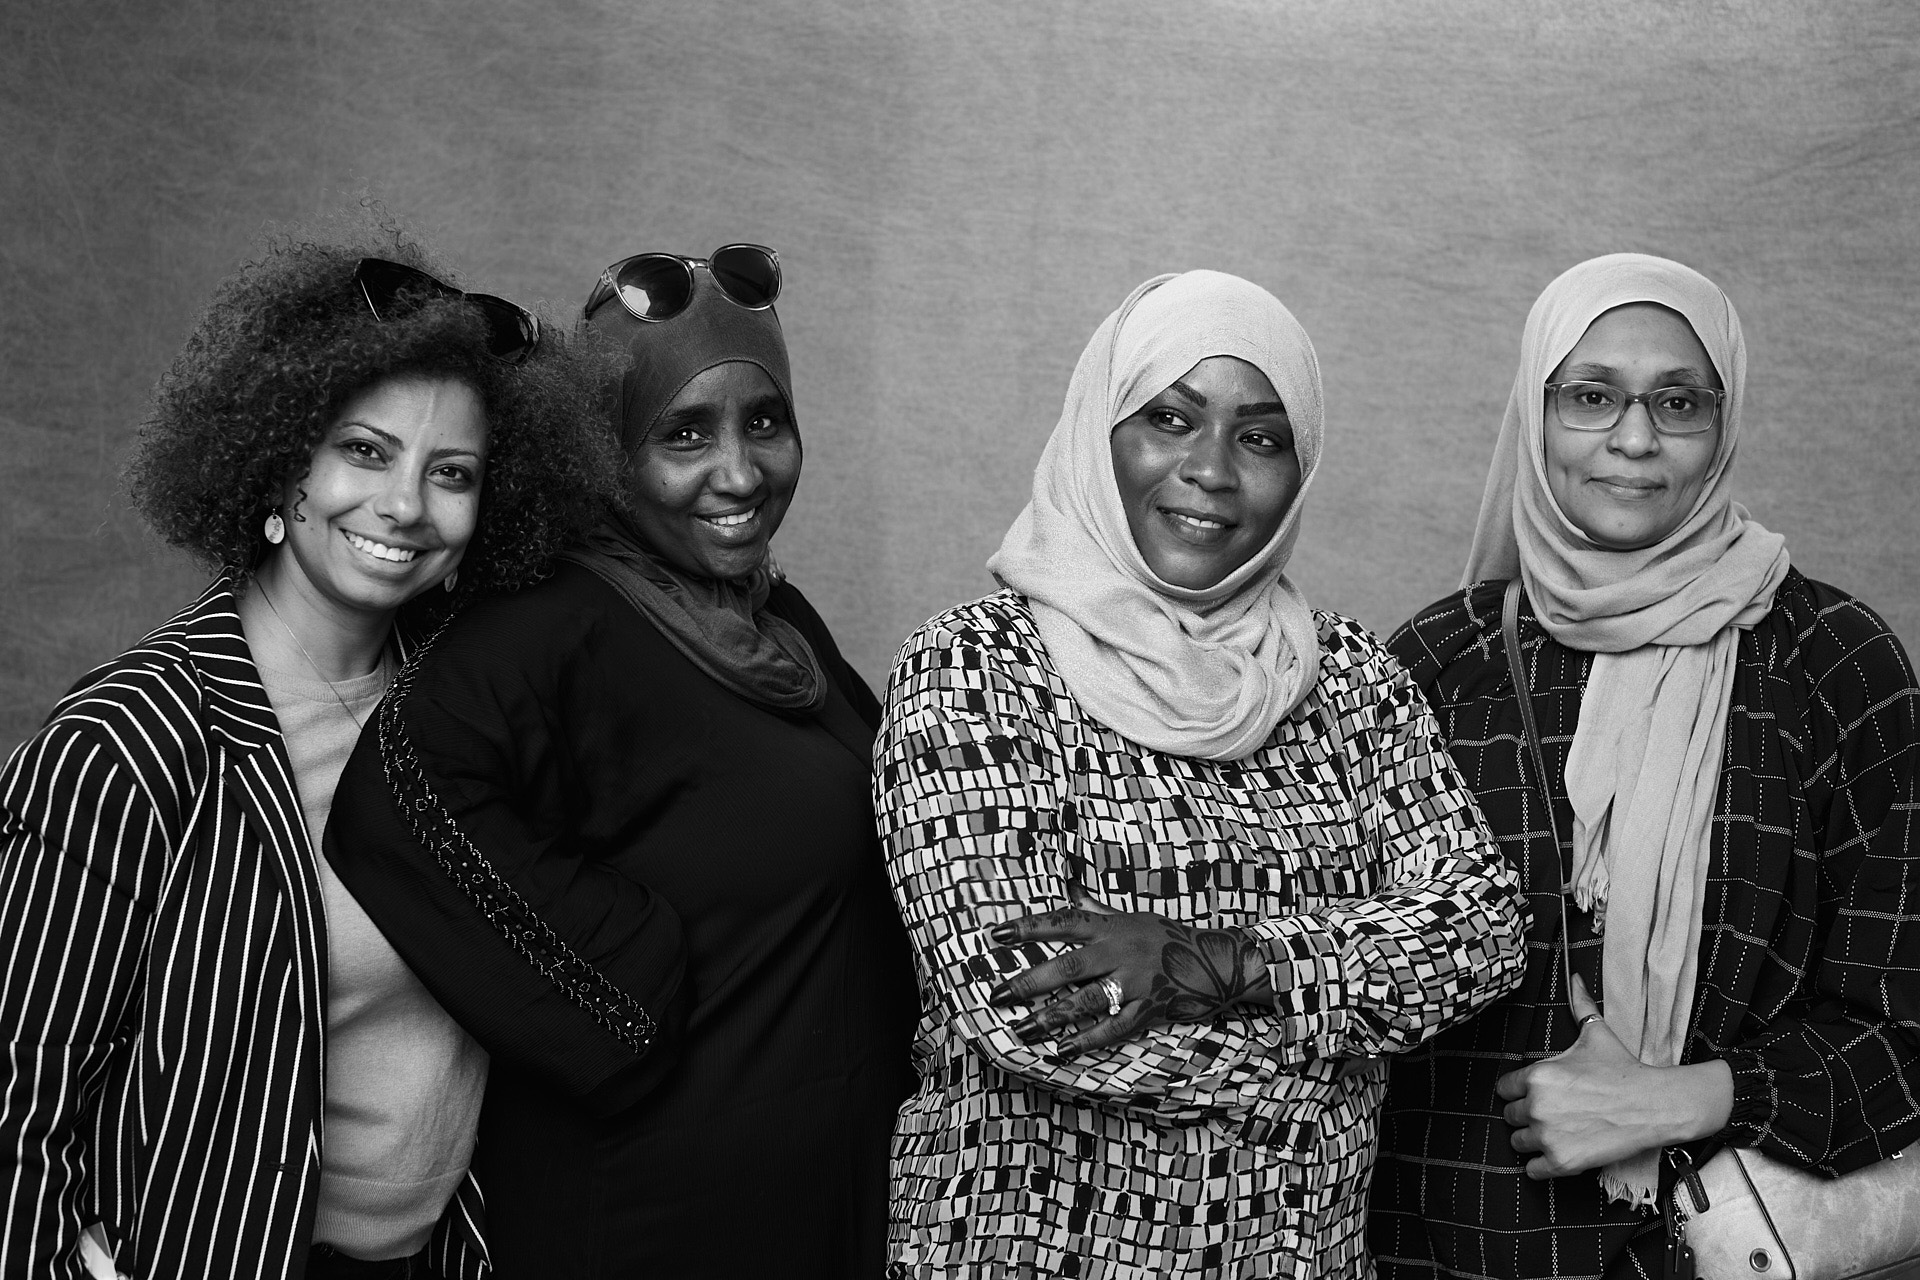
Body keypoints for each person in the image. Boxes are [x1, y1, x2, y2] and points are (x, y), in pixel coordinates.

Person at [873, 269, 1529, 1279]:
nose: (1211, 469)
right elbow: (1026, 1012)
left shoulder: (1349, 677)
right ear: (1099, 431)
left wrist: (1209, 963)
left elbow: (1481, 929)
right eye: (1169, 418)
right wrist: (1334, 1067)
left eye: (1260, 437)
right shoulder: (976, 668)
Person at [0, 235, 612, 1280]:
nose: (406, 505)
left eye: (451, 473)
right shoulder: (130, 743)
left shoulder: (475, 708)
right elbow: (15, 1102)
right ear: (284, 461)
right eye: (365, 451)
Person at [324, 245, 920, 1279]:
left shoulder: (772, 617)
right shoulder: (556, 620)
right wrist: (621, 981)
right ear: (603, 453)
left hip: (817, 1198)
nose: (739, 472)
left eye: (765, 422)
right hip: (656, 1219)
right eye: (682, 433)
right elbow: (399, 796)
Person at [1368, 253, 1920, 1279]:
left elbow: (1907, 1023)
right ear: (1535, 416)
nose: (1634, 438)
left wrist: (1686, 1097)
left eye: (1678, 401)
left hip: (1706, 1249)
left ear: (1724, 422)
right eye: (1591, 396)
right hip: (1434, 1251)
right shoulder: (1437, 663)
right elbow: (1355, 983)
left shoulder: (1831, 664)